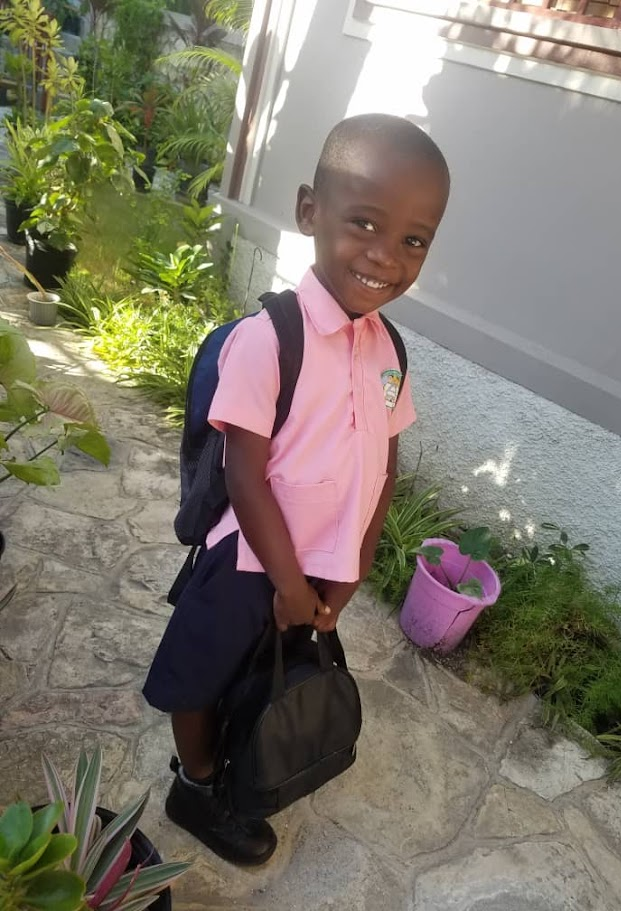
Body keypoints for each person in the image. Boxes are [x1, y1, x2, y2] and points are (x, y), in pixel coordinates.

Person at [143, 112, 451, 866]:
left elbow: (383, 467)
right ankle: (197, 781)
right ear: (309, 209)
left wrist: (348, 569)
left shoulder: (389, 351)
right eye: (364, 223)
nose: (385, 256)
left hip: (315, 570)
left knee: (263, 673)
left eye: (413, 239)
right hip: (250, 564)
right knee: (200, 673)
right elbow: (244, 473)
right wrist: (285, 580)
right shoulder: (268, 338)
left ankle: (236, 758)